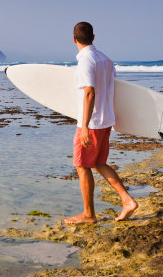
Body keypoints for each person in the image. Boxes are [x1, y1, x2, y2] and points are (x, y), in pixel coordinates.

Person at [64, 22, 138, 224]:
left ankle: (89, 215)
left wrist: (85, 127)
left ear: (74, 39)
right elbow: (111, 89)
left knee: (81, 165)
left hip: (93, 123)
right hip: (106, 120)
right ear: (93, 37)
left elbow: (90, 92)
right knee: (98, 163)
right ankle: (127, 200)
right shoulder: (106, 60)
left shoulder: (86, 61)